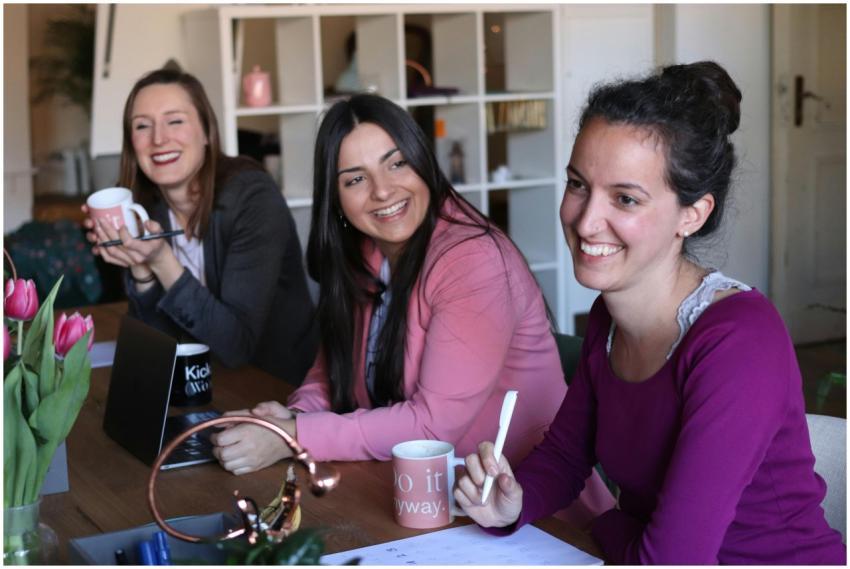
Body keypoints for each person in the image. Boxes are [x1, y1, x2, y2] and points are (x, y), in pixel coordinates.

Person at [453, 61, 846, 564]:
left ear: (692, 215)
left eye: (625, 198)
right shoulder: (608, 317)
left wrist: (610, 529)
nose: (586, 221)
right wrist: (513, 503)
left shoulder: (739, 342)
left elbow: (674, 558)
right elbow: (568, 455)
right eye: (578, 184)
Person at [210, 93, 614, 525]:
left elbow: (433, 427)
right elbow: (331, 372)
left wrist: (294, 436)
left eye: (397, 163)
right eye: (355, 179)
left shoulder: (471, 259)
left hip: (529, 514)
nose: (383, 190)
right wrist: (292, 417)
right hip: (425, 502)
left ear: (423, 163)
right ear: (336, 198)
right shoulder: (365, 253)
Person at [83, 68, 318, 384]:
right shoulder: (146, 209)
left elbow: (236, 346)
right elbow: (157, 348)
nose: (158, 138)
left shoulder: (253, 198)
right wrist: (140, 269)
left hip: (276, 387)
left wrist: (162, 261)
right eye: (142, 126)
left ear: (207, 132)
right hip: (200, 382)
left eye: (175, 121)